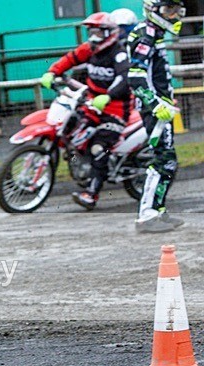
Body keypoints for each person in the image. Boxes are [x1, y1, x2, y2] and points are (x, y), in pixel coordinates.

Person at [40, 12, 132, 210]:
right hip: (91, 105)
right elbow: (70, 59)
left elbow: (124, 79)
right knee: (72, 132)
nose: (93, 37)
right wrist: (52, 71)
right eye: (91, 33)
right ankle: (81, 167)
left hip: (115, 110)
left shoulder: (119, 53)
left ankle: (92, 194)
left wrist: (108, 96)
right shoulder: (90, 49)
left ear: (108, 33)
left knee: (99, 147)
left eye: (98, 33)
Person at [128, 0, 186, 233]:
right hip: (155, 110)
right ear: (153, 10)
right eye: (168, 10)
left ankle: (158, 211)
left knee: (167, 159)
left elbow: (157, 74)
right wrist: (154, 104)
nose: (173, 15)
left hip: (163, 106)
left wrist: (167, 98)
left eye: (176, 10)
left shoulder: (155, 32)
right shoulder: (147, 34)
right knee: (163, 159)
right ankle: (147, 214)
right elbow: (135, 76)